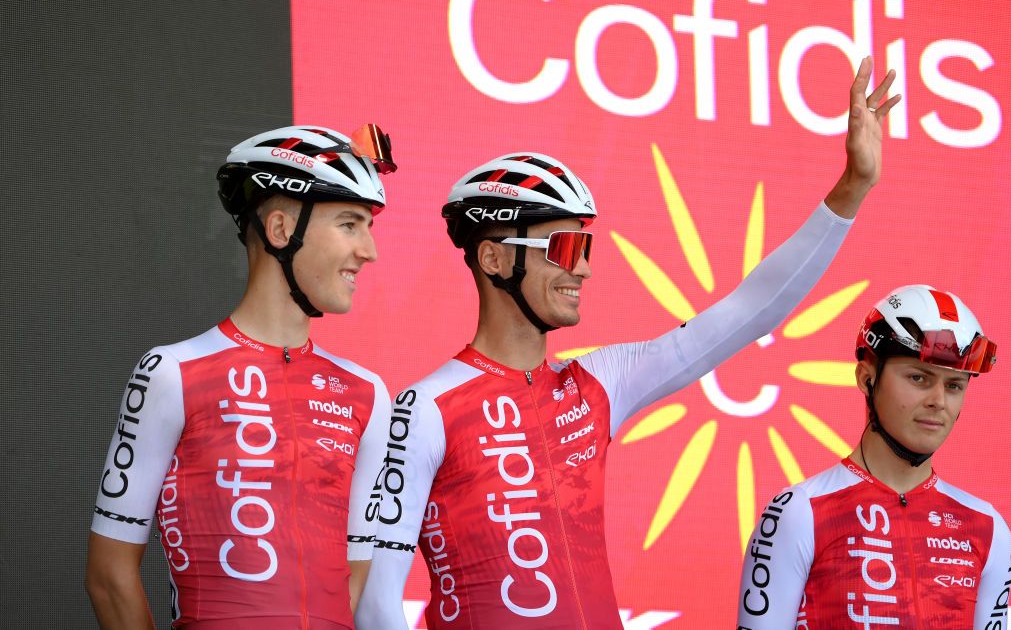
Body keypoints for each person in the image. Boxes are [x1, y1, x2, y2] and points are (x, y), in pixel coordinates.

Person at [355, 58, 898, 629]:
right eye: (564, 248)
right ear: (494, 258)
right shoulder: (423, 407)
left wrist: (852, 189)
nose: (583, 270)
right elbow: (376, 603)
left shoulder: (597, 383)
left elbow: (750, 310)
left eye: (586, 250)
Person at [86, 125, 397, 629]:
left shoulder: (368, 394)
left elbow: (353, 583)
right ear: (279, 230)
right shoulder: (171, 372)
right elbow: (109, 576)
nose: (369, 251)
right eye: (349, 224)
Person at [736, 285, 1011, 629]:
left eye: (954, 385)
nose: (939, 401)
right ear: (867, 378)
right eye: (918, 378)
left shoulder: (988, 527)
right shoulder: (797, 511)